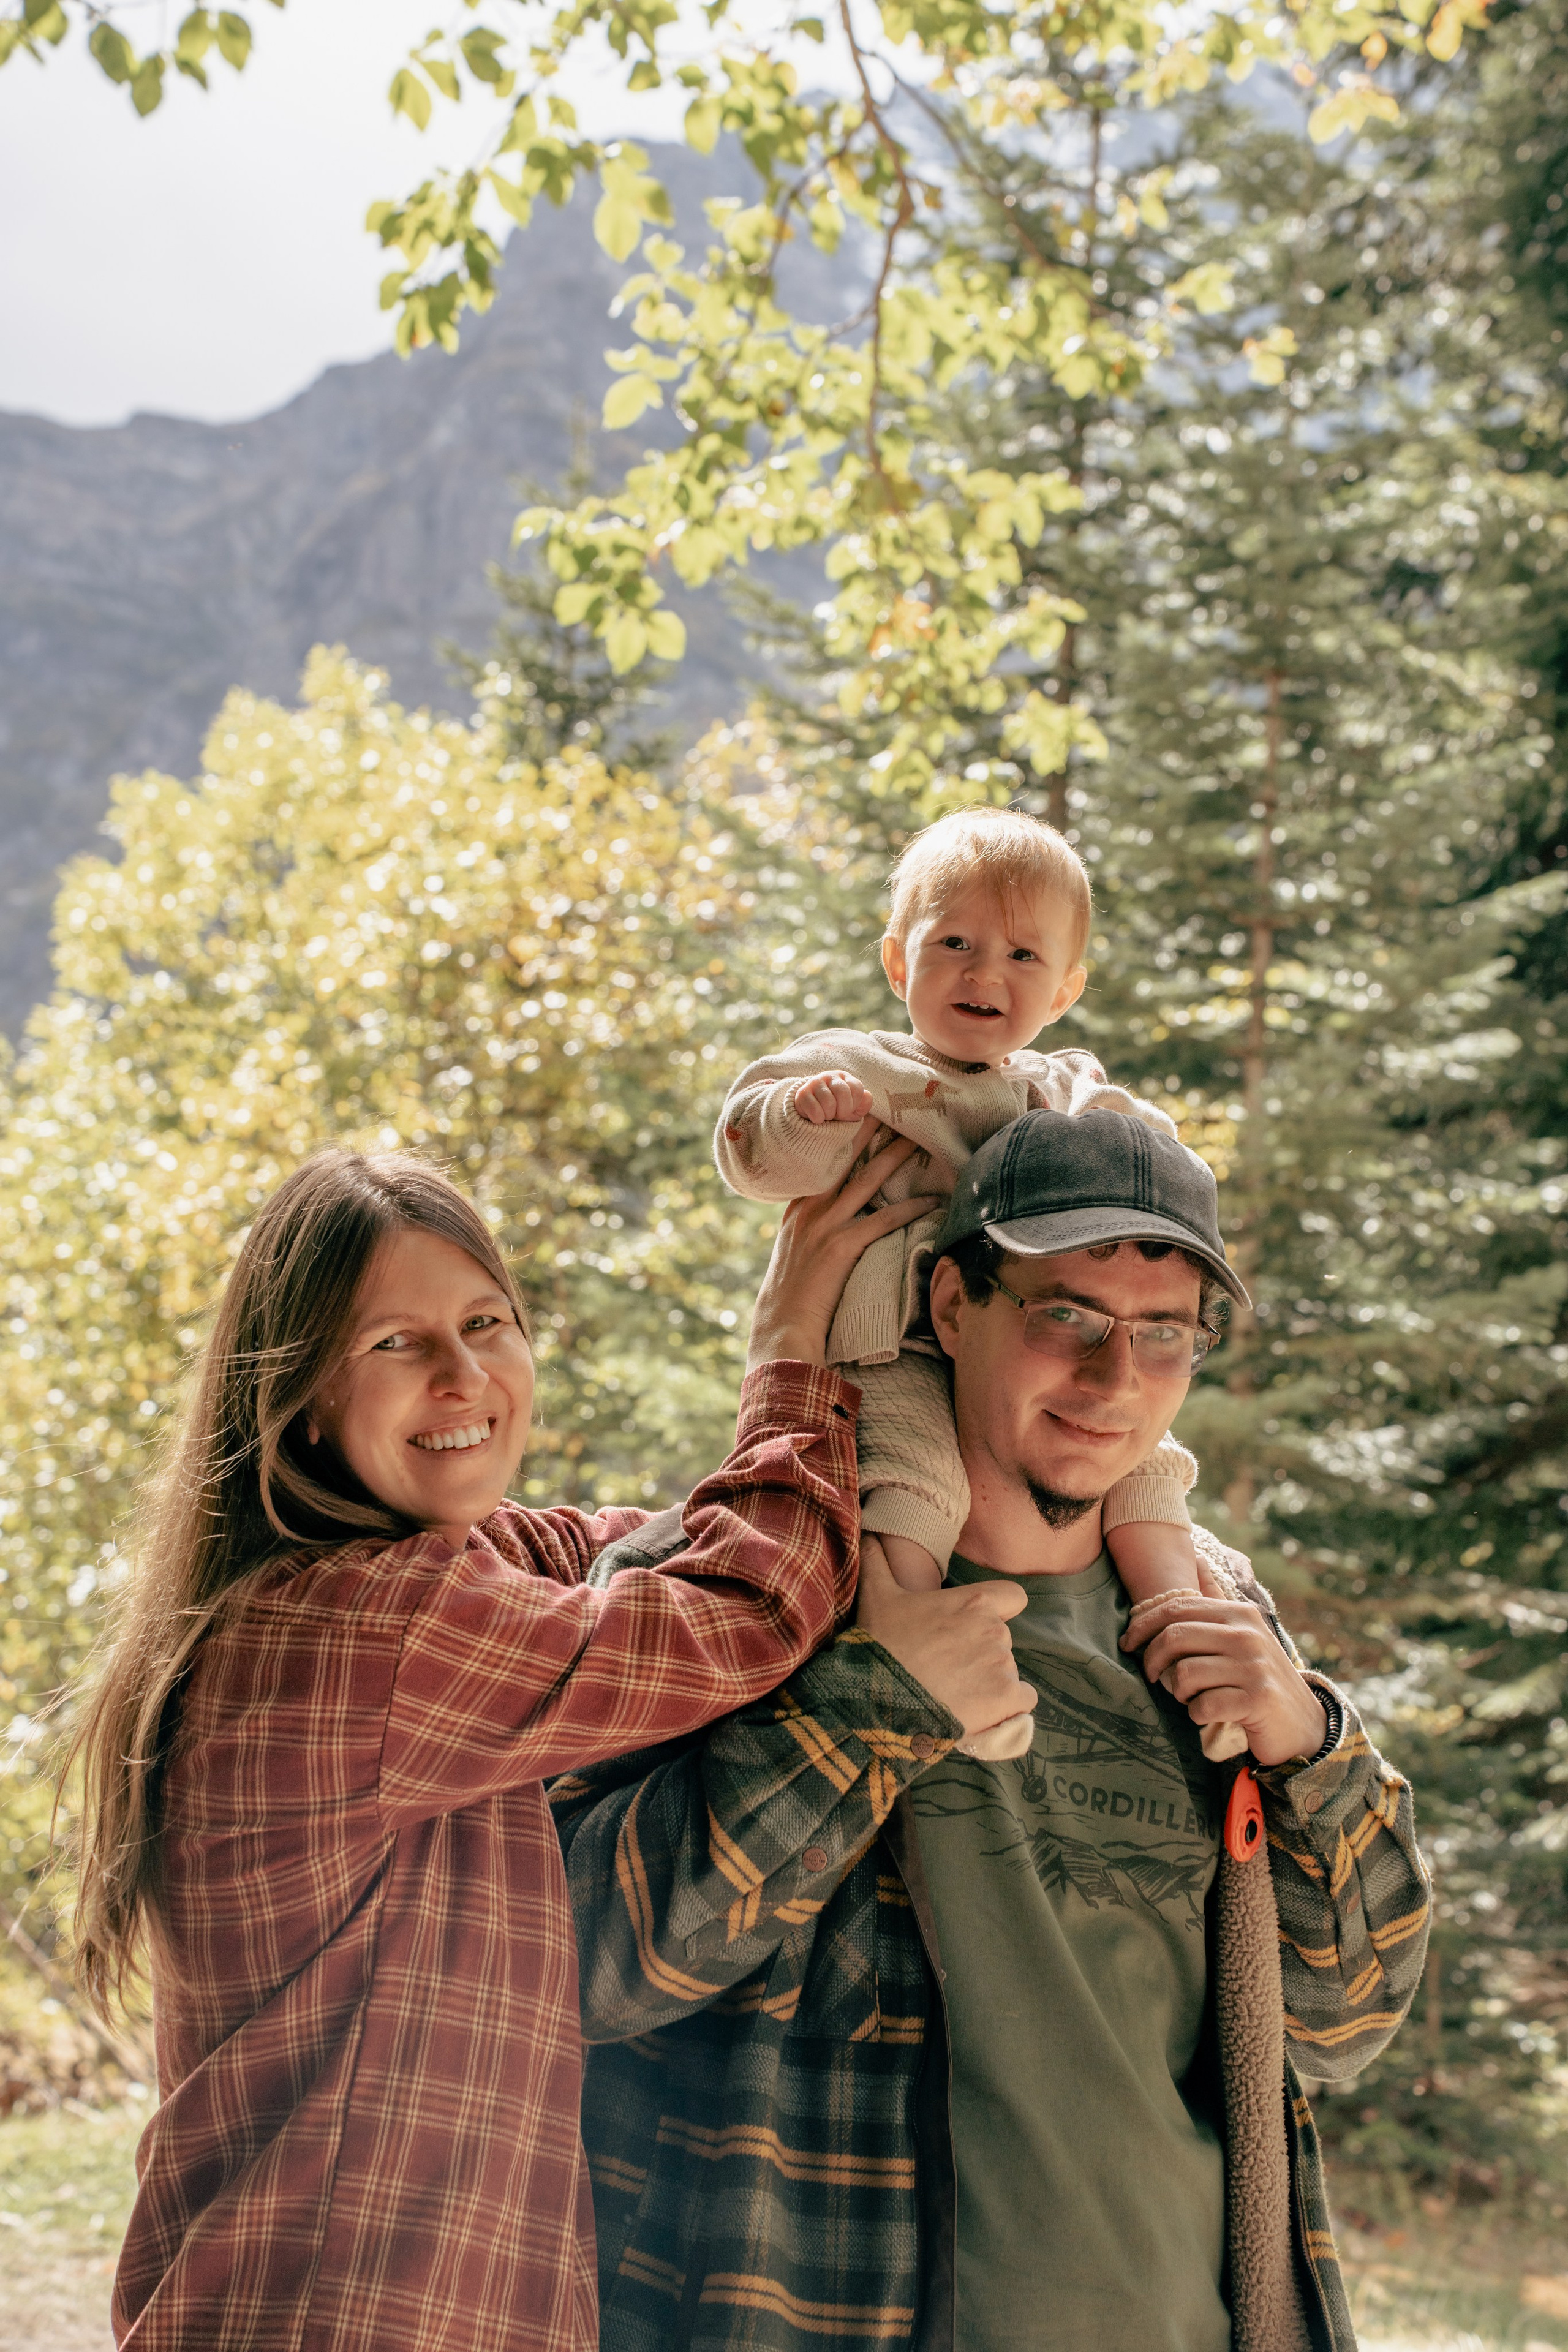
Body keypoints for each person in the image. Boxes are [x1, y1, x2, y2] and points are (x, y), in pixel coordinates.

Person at [67, 1142, 1036, 2352]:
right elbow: (747, 1613)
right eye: (394, 1343)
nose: (463, 1375)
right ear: (300, 1390)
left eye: (487, 1322)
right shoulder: (356, 1628)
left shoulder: (400, 1578)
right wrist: (789, 1339)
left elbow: (633, 1549)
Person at [552, 1109, 1432, 2352]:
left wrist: (1312, 1747)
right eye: (1064, 1315)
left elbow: (1342, 2027)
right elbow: (572, 1962)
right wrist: (867, 1709)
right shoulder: (760, 1583)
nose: (1112, 1379)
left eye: (1162, 1337)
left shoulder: (1209, 1625)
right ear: (951, 1305)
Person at [714, 806, 1243, 1761]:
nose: (984, 973)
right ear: (897, 962)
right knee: (912, 1477)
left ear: (1069, 986)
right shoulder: (862, 1067)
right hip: (886, 1346)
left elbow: (1132, 1138)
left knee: (1146, 1460)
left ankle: (1177, 1609)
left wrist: (1154, 1151)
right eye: (952, 942)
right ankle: (914, 1639)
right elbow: (753, 1151)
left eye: (1023, 958)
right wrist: (808, 1118)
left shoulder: (1056, 1086)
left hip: (994, 1341)